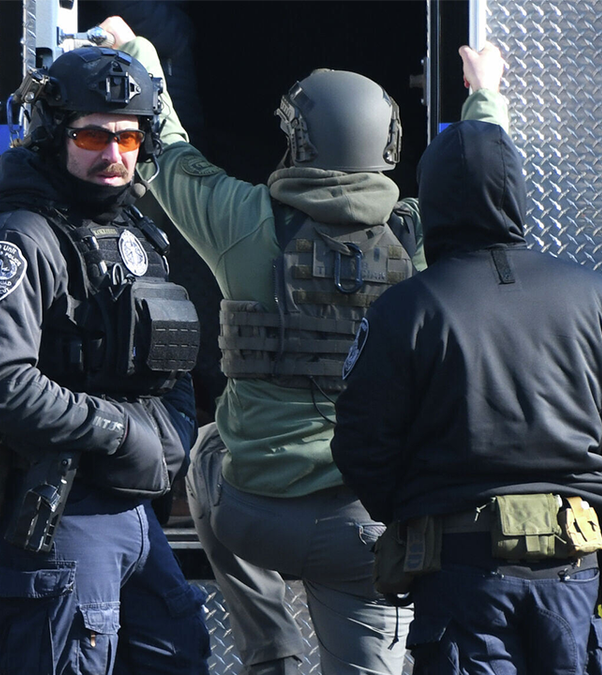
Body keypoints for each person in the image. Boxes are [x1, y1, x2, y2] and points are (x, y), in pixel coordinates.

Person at [106, 17, 509, 675]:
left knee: (210, 445)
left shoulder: (241, 219)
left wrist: (136, 50)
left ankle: (272, 651)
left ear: (298, 143)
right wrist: (484, 95)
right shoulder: (423, 238)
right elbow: (481, 178)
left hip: (254, 516)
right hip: (369, 533)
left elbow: (165, 149)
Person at [329, 47, 602, 675]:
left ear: (432, 199)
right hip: (572, 572)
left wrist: (420, 507)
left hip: (460, 573)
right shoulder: (598, 297)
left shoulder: (405, 309)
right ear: (516, 192)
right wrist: (578, 481)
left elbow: (362, 446)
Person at [0, 44, 210, 675]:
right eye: (93, 136)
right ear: (55, 133)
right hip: (56, 509)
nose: (114, 156)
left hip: (132, 512)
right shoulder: (16, 237)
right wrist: (119, 432)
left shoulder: (133, 230)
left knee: (179, 647)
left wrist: (170, 436)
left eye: (130, 138)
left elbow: (163, 360)